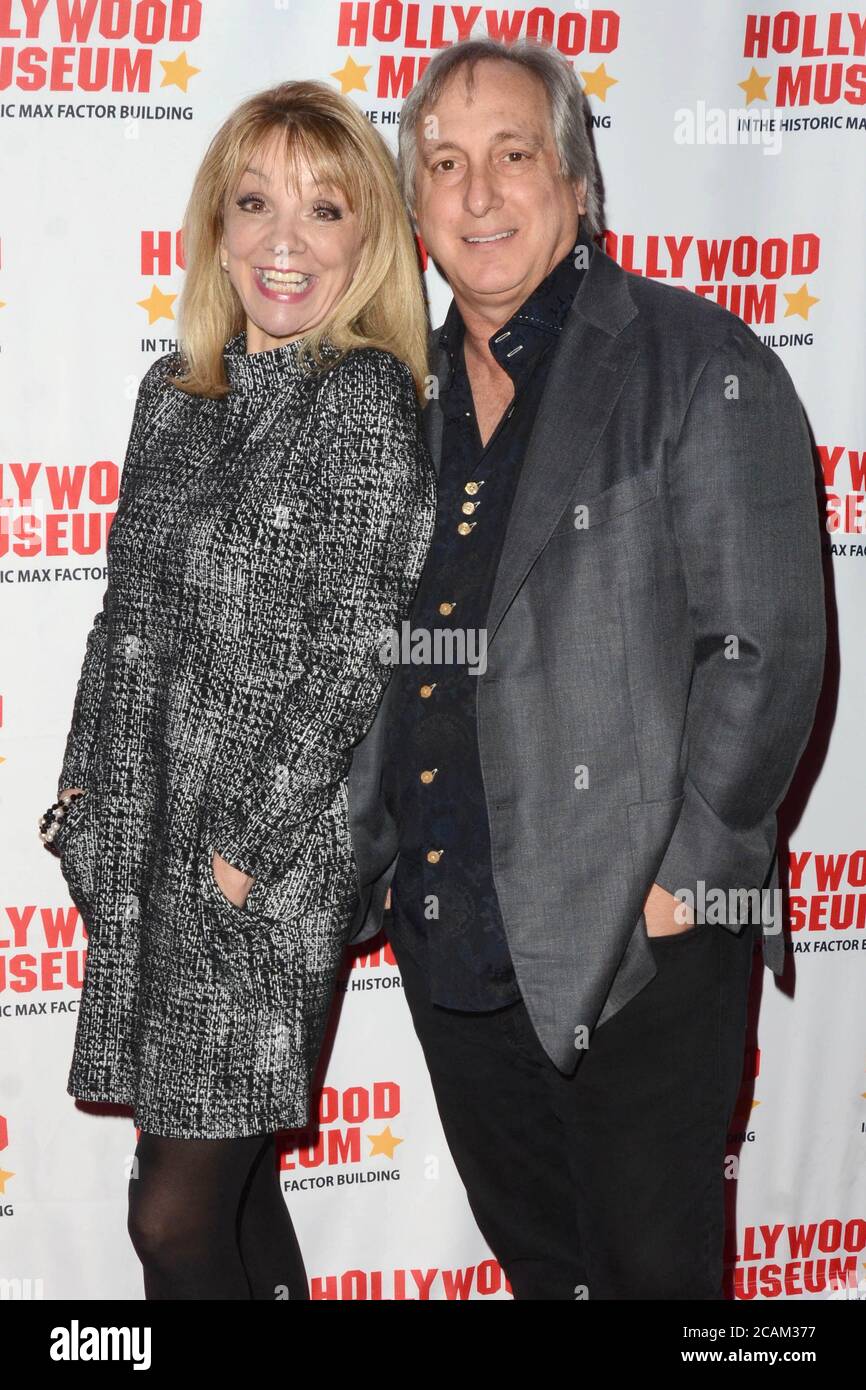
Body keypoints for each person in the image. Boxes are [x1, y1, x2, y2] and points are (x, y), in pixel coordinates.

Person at [345, 38, 826, 1299]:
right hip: (455, 950)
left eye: (511, 155)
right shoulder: (400, 404)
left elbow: (763, 642)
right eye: (443, 165)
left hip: (635, 954)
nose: (479, 193)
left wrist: (687, 882)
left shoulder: (691, 360)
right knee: (548, 1276)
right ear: (414, 210)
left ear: (574, 179)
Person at [41, 80, 436, 1299]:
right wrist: (84, 795)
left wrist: (242, 853)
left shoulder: (361, 401)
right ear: (215, 224)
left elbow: (352, 650)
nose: (283, 240)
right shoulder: (176, 396)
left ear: (366, 239)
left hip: (259, 867)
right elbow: (122, 621)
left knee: (171, 1217)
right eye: (255, 202)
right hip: (148, 840)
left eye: (324, 211)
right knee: (236, 1191)